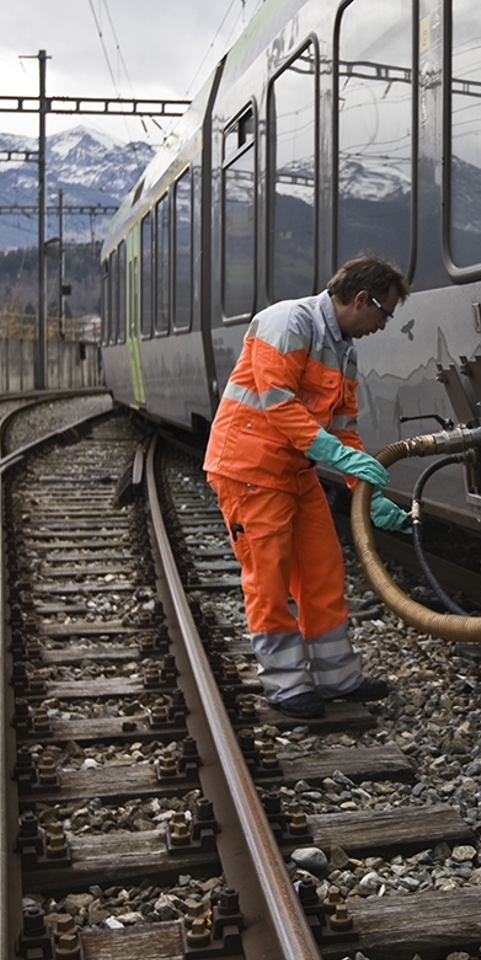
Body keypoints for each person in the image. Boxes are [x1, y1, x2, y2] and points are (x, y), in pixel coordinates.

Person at [203, 254, 411, 718]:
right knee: (269, 578)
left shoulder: (344, 349)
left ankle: (336, 676)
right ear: (362, 299)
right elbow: (278, 404)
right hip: (249, 469)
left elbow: (344, 429)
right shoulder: (286, 322)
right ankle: (286, 683)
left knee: (322, 570)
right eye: (385, 312)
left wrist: (367, 491)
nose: (384, 324)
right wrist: (337, 456)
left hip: (293, 471)